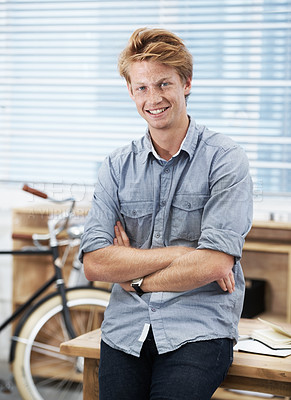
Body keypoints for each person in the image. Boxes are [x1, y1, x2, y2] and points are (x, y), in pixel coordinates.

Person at [79, 27, 253, 400]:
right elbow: (94, 262)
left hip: (199, 327)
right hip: (126, 329)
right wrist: (180, 254)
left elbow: (214, 264)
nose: (153, 98)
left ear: (186, 83)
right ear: (130, 91)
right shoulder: (116, 167)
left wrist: (135, 277)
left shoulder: (225, 159)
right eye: (142, 87)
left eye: (163, 84)